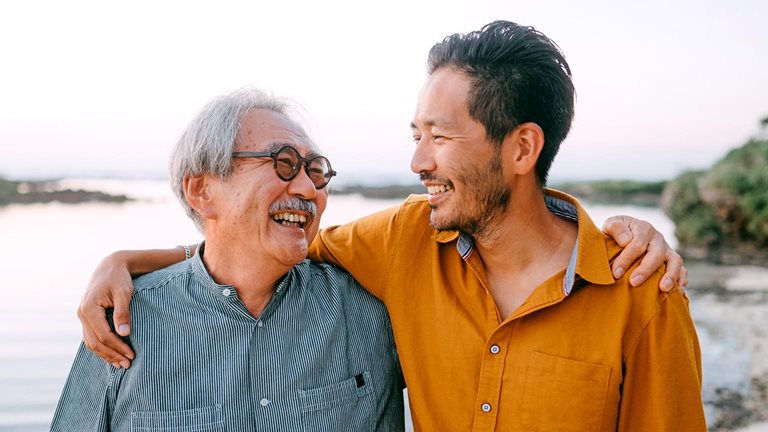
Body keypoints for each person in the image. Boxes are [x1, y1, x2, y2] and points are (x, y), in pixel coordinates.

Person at [77, 22, 701, 431]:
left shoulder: (640, 292)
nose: (417, 161)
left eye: (439, 136)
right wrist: (131, 260)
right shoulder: (404, 241)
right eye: (415, 135)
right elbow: (262, 241)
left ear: (521, 149)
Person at [51, 89, 404, 431]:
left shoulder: (374, 309)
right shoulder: (123, 326)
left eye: (314, 170)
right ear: (202, 191)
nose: (308, 189)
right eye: (284, 163)